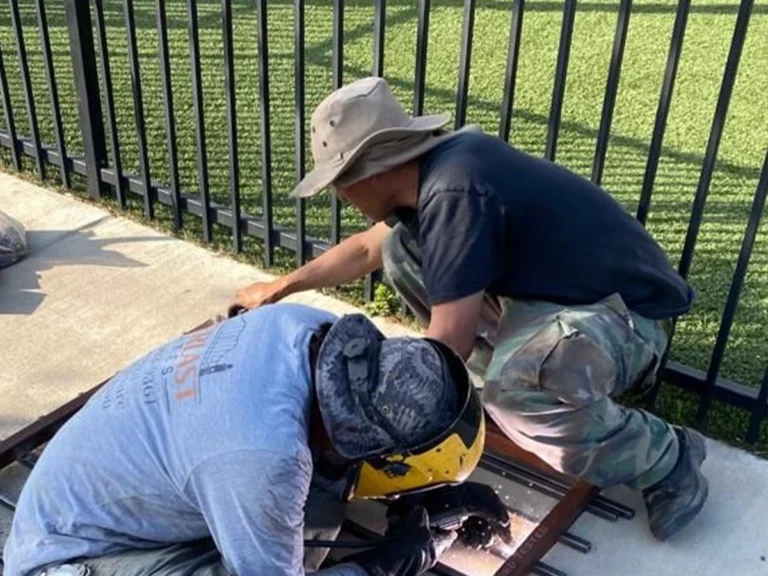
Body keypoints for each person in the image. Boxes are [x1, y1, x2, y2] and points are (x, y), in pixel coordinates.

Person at [233, 76, 709, 542]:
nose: (339, 195)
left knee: (511, 398)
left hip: (629, 321)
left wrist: (386, 426)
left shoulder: (455, 191)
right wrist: (279, 287)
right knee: (401, 249)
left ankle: (667, 458)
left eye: (340, 181)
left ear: (373, 169)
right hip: (560, 304)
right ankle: (517, 384)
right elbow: (363, 252)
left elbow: (448, 341)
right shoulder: (435, 173)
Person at [3, 303, 509, 576]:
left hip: (107, 478)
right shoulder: (265, 461)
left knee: (317, 491)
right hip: (65, 557)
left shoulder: (306, 327)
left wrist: (419, 492)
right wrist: (393, 561)